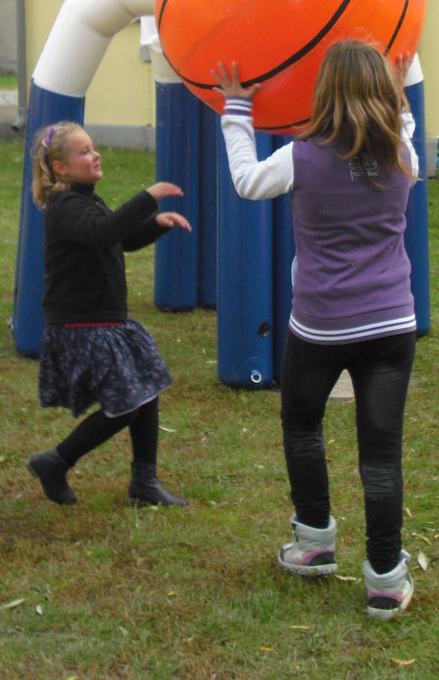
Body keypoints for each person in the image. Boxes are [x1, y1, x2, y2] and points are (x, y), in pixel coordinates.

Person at [213, 39, 418, 619]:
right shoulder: (402, 151)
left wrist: (236, 110)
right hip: (390, 327)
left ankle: (314, 545)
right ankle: (384, 577)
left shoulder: (301, 157)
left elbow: (248, 182)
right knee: (380, 453)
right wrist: (400, 101)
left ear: (322, 89)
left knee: (302, 425)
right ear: (381, 88)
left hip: (322, 327)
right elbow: (399, 127)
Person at [27, 122, 192, 509]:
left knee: (146, 389)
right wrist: (147, 199)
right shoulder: (64, 206)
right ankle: (55, 460)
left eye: (93, 147)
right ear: (61, 168)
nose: (95, 154)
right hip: (81, 325)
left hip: (106, 320)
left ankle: (145, 481)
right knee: (128, 403)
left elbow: (116, 237)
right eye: (83, 151)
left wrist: (154, 225)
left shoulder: (86, 200)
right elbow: (103, 232)